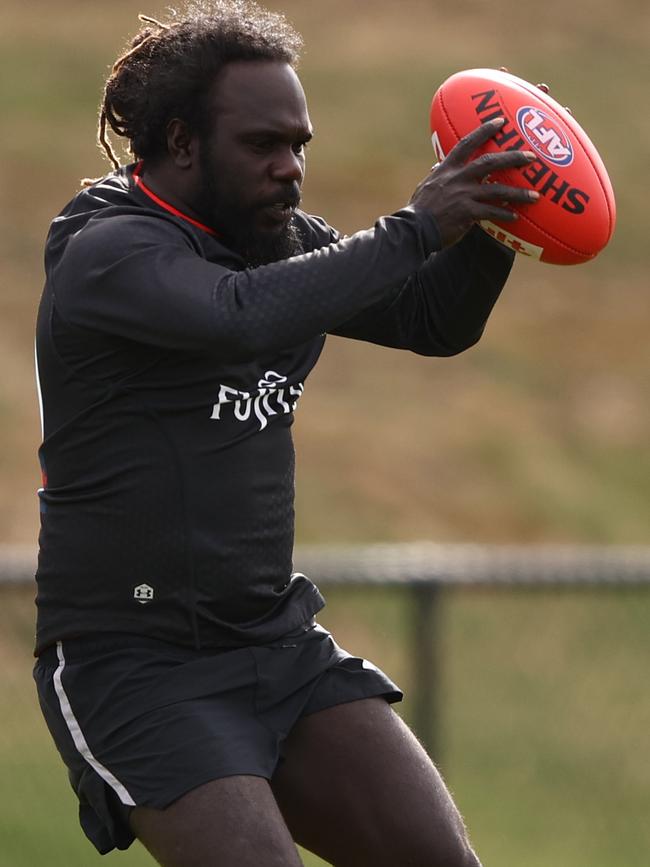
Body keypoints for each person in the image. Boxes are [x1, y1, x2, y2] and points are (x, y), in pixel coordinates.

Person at [33, 2, 539, 865]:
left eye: (299, 144)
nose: (290, 168)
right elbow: (236, 319)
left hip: (272, 641)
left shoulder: (272, 241)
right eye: (264, 145)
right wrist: (415, 227)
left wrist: (494, 217)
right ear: (184, 142)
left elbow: (430, 318)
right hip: (137, 660)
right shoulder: (110, 251)